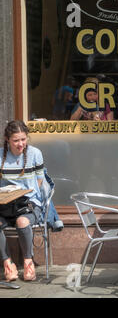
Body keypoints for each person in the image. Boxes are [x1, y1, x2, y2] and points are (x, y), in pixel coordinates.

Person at [0, 121, 46, 282]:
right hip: (5, 205)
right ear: (7, 139)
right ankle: (8, 264)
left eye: (23, 139)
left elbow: (40, 181)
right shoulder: (0, 155)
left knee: (22, 221)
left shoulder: (35, 153)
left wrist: (26, 193)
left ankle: (28, 262)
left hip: (29, 204)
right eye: (16, 140)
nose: (20, 144)